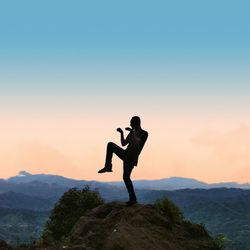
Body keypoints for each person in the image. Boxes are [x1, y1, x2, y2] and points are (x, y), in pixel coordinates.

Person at [98, 116, 148, 206]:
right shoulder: (132, 132)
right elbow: (123, 143)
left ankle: (133, 199)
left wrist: (132, 133)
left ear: (137, 123)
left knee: (126, 177)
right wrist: (121, 133)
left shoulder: (144, 133)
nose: (130, 124)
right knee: (110, 145)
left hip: (132, 157)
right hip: (126, 153)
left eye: (131, 123)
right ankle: (108, 167)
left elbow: (138, 144)